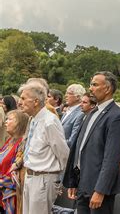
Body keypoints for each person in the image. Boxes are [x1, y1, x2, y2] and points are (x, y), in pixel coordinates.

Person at [63, 71, 120, 214]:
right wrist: (73, 180)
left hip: (98, 188)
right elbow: (80, 147)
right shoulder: (92, 112)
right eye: (91, 84)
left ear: (107, 88)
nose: (90, 88)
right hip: (83, 184)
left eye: (95, 84)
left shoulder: (118, 116)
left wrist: (101, 190)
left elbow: (112, 157)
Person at [17, 82, 70, 214]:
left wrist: (57, 180)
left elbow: (63, 153)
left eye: (23, 98)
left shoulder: (50, 121)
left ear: (35, 101)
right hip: (31, 176)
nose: (20, 102)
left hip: (43, 179)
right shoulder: (34, 119)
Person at [0, 110, 29, 214]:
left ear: (19, 123)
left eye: (10, 119)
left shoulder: (21, 144)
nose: (6, 122)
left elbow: (16, 173)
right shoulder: (10, 140)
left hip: (10, 194)